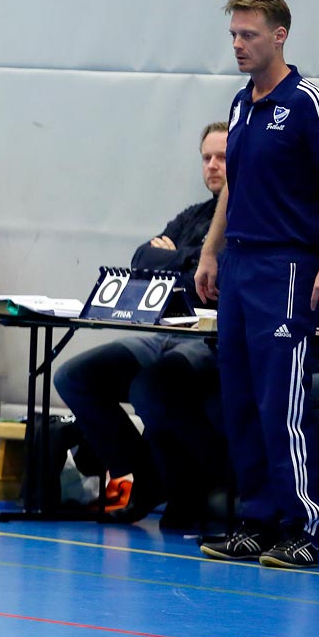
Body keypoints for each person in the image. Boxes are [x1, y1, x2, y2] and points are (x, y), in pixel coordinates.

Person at [195, 0, 319, 569]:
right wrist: (211, 252)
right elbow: (233, 186)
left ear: (279, 35)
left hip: (286, 266)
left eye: (249, 35)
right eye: (234, 35)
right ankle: (256, 519)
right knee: (238, 396)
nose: (238, 45)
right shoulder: (241, 104)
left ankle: (303, 524)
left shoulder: (308, 99)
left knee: (279, 401)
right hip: (238, 265)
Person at [51, 122, 231, 527]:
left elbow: (216, 279)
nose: (213, 166)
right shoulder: (193, 215)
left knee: (150, 387)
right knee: (75, 376)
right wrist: (188, 259)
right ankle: (143, 476)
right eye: (207, 158)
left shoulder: (250, 215)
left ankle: (190, 485)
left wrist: (172, 259)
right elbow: (140, 263)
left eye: (223, 157)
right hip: (167, 331)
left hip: (213, 337)